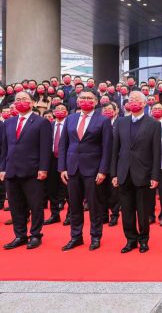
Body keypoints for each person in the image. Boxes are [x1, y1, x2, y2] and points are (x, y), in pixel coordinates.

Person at [58, 88, 113, 252]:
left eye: (89, 98)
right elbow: (63, 145)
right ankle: (76, 237)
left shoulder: (103, 120)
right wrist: (62, 168)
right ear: (77, 101)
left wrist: (103, 170)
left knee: (94, 206)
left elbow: (107, 148)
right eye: (82, 98)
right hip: (72, 168)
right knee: (74, 205)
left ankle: (95, 236)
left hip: (93, 169)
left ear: (96, 102)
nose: (85, 100)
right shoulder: (70, 119)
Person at [111, 91, 161, 253]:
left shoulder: (153, 124)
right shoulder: (121, 122)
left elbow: (156, 152)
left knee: (143, 210)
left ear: (145, 103)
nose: (133, 102)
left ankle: (143, 239)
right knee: (126, 210)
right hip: (124, 172)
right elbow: (115, 149)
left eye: (137, 100)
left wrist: (155, 176)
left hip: (144, 173)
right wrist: (114, 173)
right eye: (131, 99)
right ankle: (130, 239)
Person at [0, 91, 52, 250]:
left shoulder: (41, 122)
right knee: (15, 205)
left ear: (32, 103)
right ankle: (20, 235)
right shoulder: (8, 123)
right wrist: (2, 168)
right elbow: (4, 148)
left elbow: (45, 148)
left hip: (33, 170)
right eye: (17, 99)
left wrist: (43, 168)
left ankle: (36, 234)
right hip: (11, 170)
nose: (20, 101)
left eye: (24, 99)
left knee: (35, 205)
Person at [44, 103, 68, 225]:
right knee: (52, 187)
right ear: (53, 112)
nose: (60, 111)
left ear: (67, 112)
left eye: (62, 109)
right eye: (57, 109)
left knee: (68, 188)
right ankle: (55, 214)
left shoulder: (70, 124)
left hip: (67, 159)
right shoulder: (49, 125)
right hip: (52, 159)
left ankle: (70, 215)